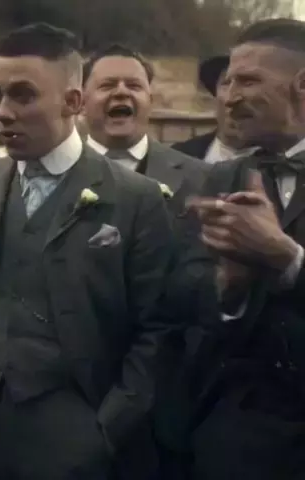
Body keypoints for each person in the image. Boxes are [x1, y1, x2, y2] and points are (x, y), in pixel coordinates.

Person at [0, 23, 178, 480]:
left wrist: (107, 427)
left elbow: (158, 331)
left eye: (22, 96)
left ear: (72, 102)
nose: (2, 112)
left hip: (77, 437)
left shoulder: (136, 198)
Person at [187, 18, 305, 480]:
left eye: (249, 81)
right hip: (239, 443)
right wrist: (228, 290)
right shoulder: (219, 178)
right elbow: (179, 302)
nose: (230, 97)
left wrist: (286, 258)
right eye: (228, 82)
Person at [82, 43, 208, 195]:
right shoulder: (59, 172)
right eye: (107, 85)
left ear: (150, 101)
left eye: (134, 85)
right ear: (81, 102)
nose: (122, 91)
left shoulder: (200, 177)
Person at [173, 55, 255, 163]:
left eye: (248, 84)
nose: (232, 97)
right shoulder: (178, 157)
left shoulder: (276, 161)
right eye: (226, 83)